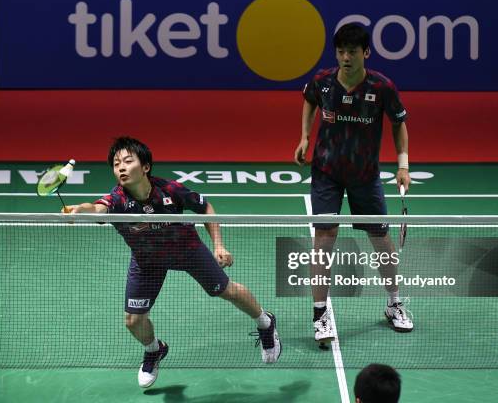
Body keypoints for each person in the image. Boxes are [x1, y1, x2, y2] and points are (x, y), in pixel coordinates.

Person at [65, 136, 281, 388]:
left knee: (226, 290)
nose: (121, 167)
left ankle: (265, 322)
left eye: (127, 161)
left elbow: (206, 207)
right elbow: (96, 208)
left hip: (186, 250)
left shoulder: (170, 190)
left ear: (145, 167)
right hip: (146, 261)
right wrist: (80, 210)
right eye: (116, 164)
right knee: (133, 320)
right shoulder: (117, 200)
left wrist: (218, 244)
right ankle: (154, 349)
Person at [294, 23, 413, 344]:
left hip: (365, 174)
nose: (346, 57)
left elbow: (399, 123)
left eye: (352, 52)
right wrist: (305, 136)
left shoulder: (382, 86)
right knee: (324, 238)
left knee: (381, 240)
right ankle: (320, 313)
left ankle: (394, 303)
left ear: (366, 53)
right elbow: (309, 99)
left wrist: (403, 165)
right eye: (341, 51)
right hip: (326, 172)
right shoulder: (323, 82)